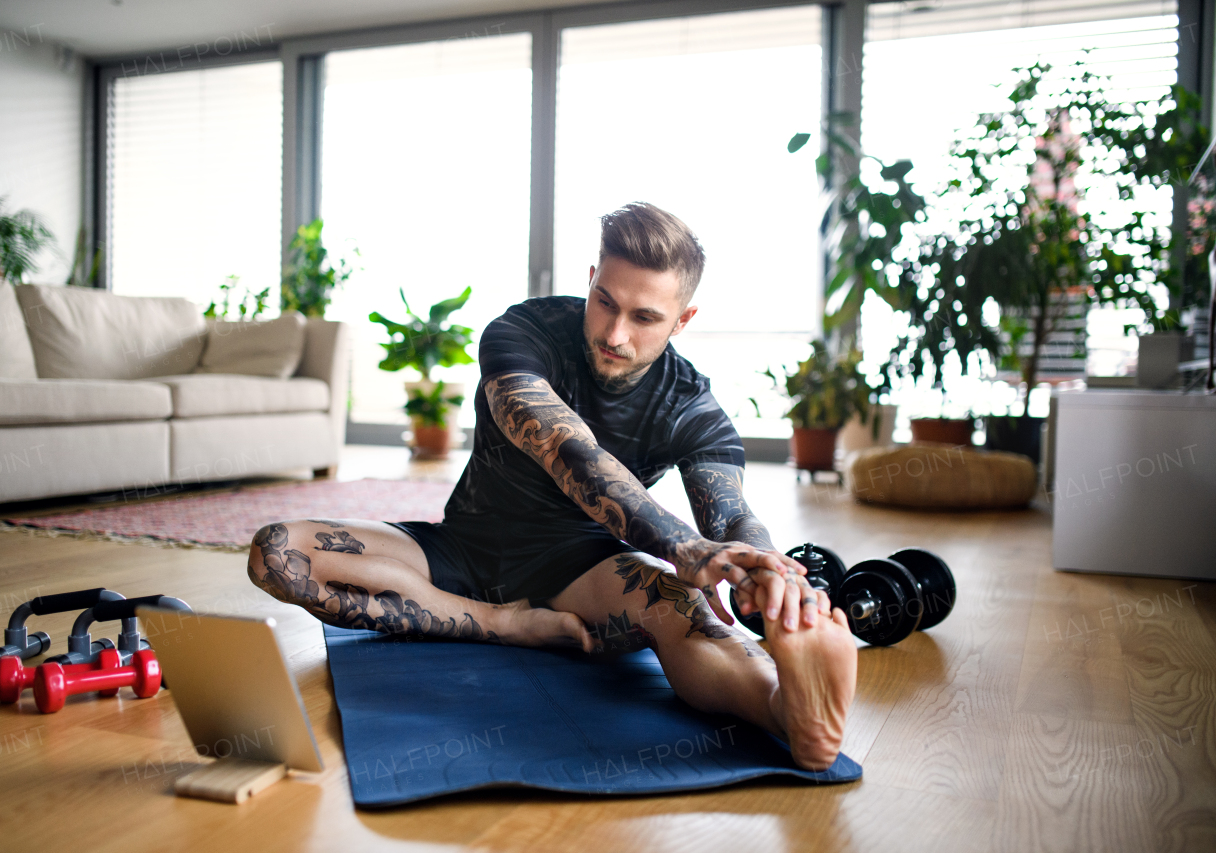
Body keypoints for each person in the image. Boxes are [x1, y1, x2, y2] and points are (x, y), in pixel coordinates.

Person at [248, 202, 857, 770]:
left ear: (683, 319)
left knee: (683, 607)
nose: (615, 334)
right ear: (591, 277)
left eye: (645, 317)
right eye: (605, 301)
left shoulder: (690, 406)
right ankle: (503, 623)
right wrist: (682, 547)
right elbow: (571, 453)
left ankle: (787, 709)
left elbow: (731, 517)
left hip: (583, 573)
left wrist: (771, 573)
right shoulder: (525, 332)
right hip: (460, 547)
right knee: (279, 552)